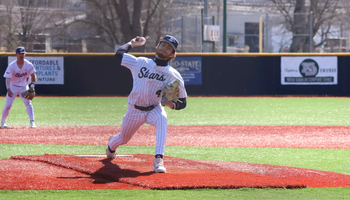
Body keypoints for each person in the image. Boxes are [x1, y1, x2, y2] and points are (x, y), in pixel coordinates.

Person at [106, 35, 187, 173]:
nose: (165, 48)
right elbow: (119, 54)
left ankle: (158, 160)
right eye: (163, 44)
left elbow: (183, 102)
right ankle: (111, 146)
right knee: (123, 139)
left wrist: (171, 105)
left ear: (172, 54)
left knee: (162, 119)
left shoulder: (173, 75)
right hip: (134, 110)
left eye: (169, 48)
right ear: (157, 46)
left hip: (154, 109)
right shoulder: (141, 62)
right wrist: (132, 43)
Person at [1, 47, 37, 128]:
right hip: (13, 86)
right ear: (16, 55)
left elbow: (33, 75)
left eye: (23, 53)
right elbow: (7, 78)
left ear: (25, 54)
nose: (21, 55)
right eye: (19, 53)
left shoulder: (29, 64)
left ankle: (32, 122)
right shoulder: (12, 66)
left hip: (24, 86)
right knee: (8, 105)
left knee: (28, 103)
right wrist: (8, 89)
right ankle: (3, 122)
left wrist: (32, 86)